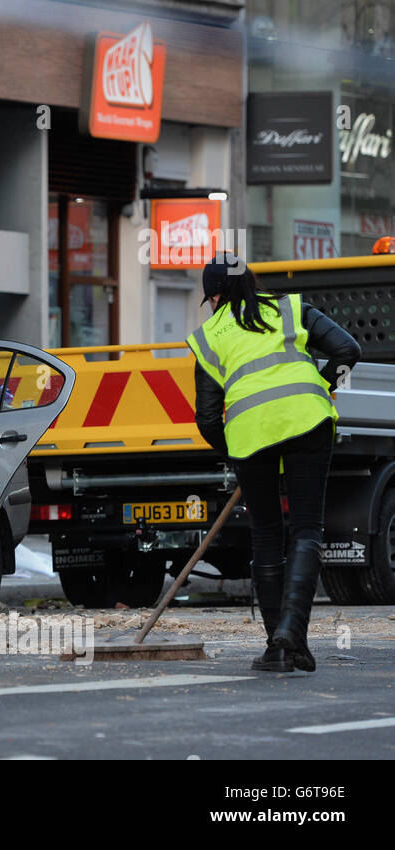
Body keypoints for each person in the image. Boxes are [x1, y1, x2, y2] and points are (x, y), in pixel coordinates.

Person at [187, 254, 360, 673]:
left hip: (250, 435)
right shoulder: (290, 306)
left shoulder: (209, 336)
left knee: (266, 536)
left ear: (213, 296)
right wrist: (320, 386)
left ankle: (279, 647)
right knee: (306, 530)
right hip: (308, 420)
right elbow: (347, 350)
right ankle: (289, 637)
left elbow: (208, 417)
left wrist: (237, 453)